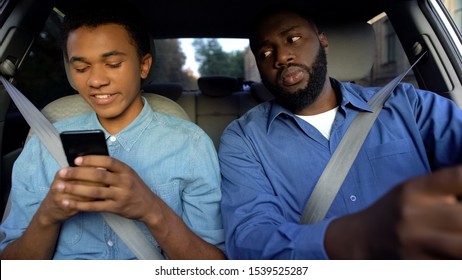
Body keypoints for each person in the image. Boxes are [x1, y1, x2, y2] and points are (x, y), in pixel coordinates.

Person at [218, 6, 462, 259]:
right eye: (265, 52)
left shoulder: (410, 106)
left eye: (293, 39)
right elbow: (249, 242)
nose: (280, 57)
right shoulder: (244, 139)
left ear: (322, 41)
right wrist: (355, 236)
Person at [0, 0, 225, 260]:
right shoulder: (43, 144)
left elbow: (214, 266)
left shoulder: (191, 144)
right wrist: (47, 217)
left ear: (144, 65)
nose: (95, 80)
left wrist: (151, 210)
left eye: (113, 64)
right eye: (81, 68)